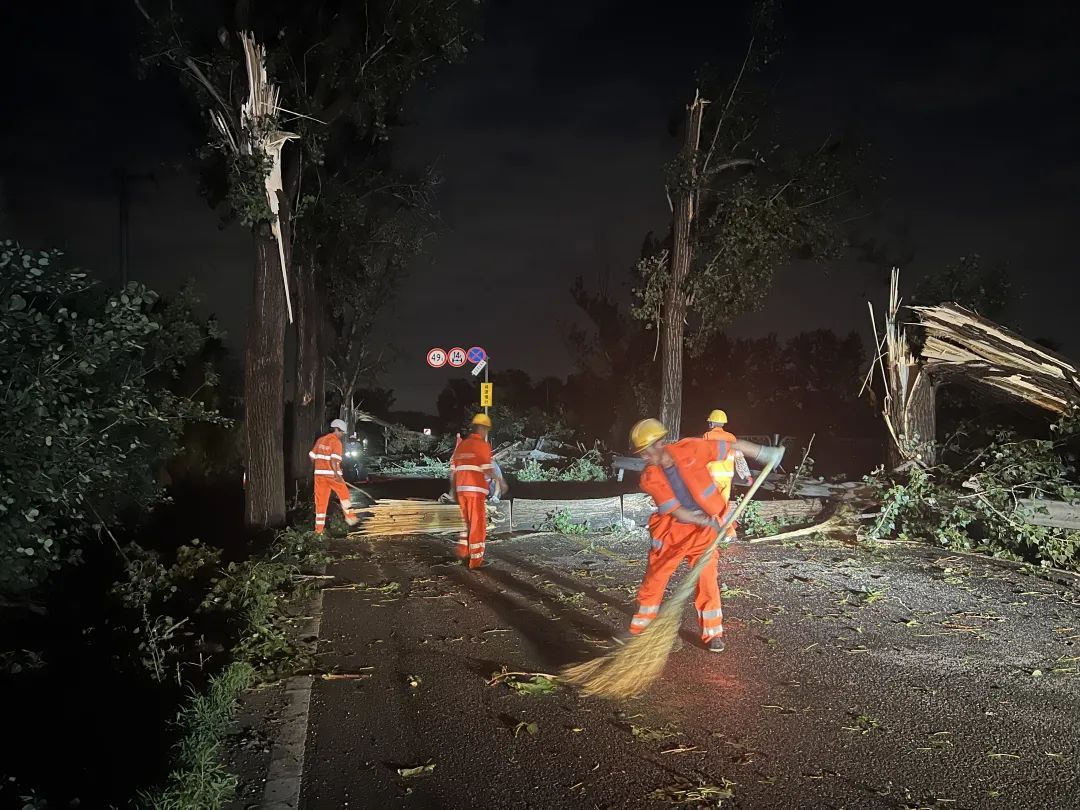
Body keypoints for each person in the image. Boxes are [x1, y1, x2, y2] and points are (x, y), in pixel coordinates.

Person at [626, 418, 783, 652]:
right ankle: (640, 631)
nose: (644, 458)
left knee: (707, 578)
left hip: (703, 532)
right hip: (672, 532)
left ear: (658, 444)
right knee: (655, 580)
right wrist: (709, 521)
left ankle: (712, 633)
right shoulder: (650, 477)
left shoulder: (690, 448)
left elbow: (730, 446)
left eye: (645, 451)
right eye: (640, 454)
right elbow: (677, 511)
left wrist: (762, 453)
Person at [449, 414, 505, 569]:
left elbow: (453, 470)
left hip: (461, 490)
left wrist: (454, 491)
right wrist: (501, 482)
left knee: (466, 523)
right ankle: (476, 560)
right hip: (475, 491)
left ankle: (463, 552)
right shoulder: (482, 445)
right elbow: (488, 469)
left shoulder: (462, 445)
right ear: (482, 429)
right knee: (477, 525)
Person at [703, 409, 751, 539]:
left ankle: (713, 533)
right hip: (727, 478)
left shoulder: (707, 436)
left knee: (710, 506)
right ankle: (729, 533)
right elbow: (739, 457)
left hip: (711, 477)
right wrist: (746, 475)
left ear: (712, 423)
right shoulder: (732, 438)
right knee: (723, 506)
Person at [309, 418, 359, 535]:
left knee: (320, 502)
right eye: (341, 432)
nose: (342, 434)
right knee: (344, 495)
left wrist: (319, 466)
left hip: (319, 476)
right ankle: (351, 518)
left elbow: (312, 456)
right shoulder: (336, 443)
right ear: (336, 429)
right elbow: (333, 461)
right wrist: (337, 475)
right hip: (332, 475)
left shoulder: (320, 440)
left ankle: (319, 531)